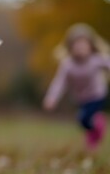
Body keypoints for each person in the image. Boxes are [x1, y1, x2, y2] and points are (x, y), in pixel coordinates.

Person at [43, 23, 110, 151]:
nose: (80, 48)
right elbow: (59, 82)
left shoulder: (95, 59)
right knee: (84, 122)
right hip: (81, 98)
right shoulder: (67, 65)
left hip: (97, 95)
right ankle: (94, 135)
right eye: (76, 45)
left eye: (83, 45)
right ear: (70, 47)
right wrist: (52, 98)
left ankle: (96, 132)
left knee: (84, 118)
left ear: (90, 46)